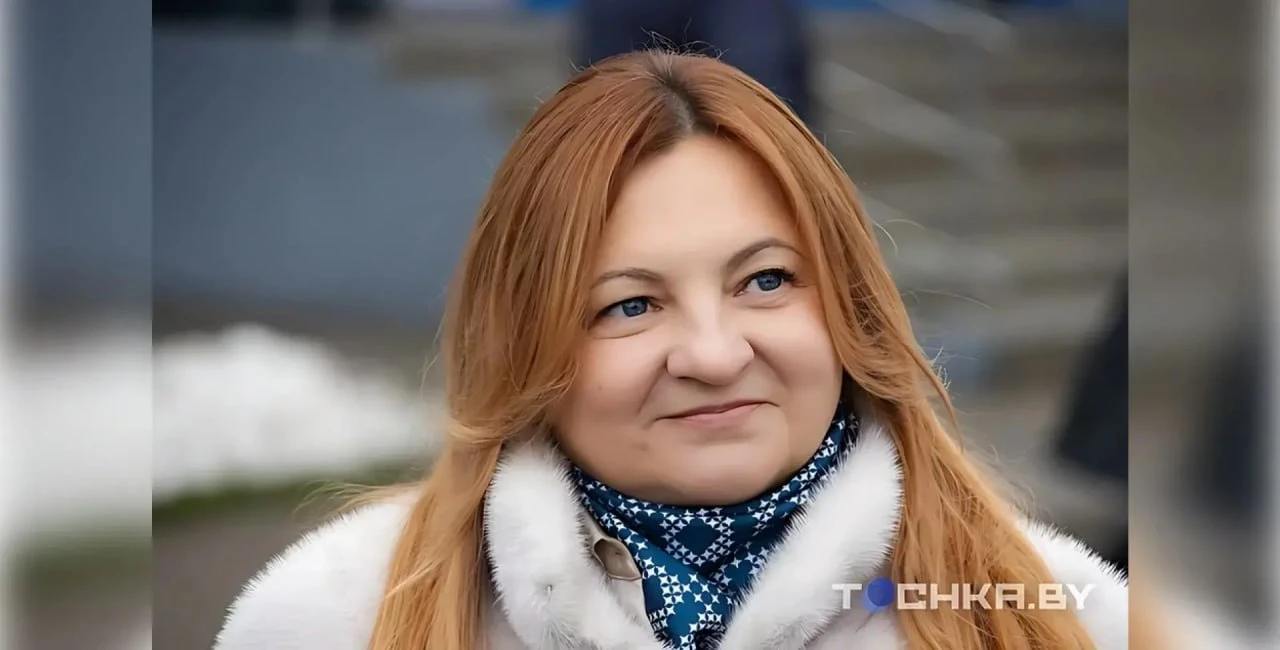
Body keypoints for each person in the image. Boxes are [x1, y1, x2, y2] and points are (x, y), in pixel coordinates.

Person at [213, 52, 1127, 649]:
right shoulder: (329, 624)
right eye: (631, 305)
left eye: (765, 280)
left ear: (851, 310)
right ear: (526, 346)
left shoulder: (1063, 619)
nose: (714, 356)